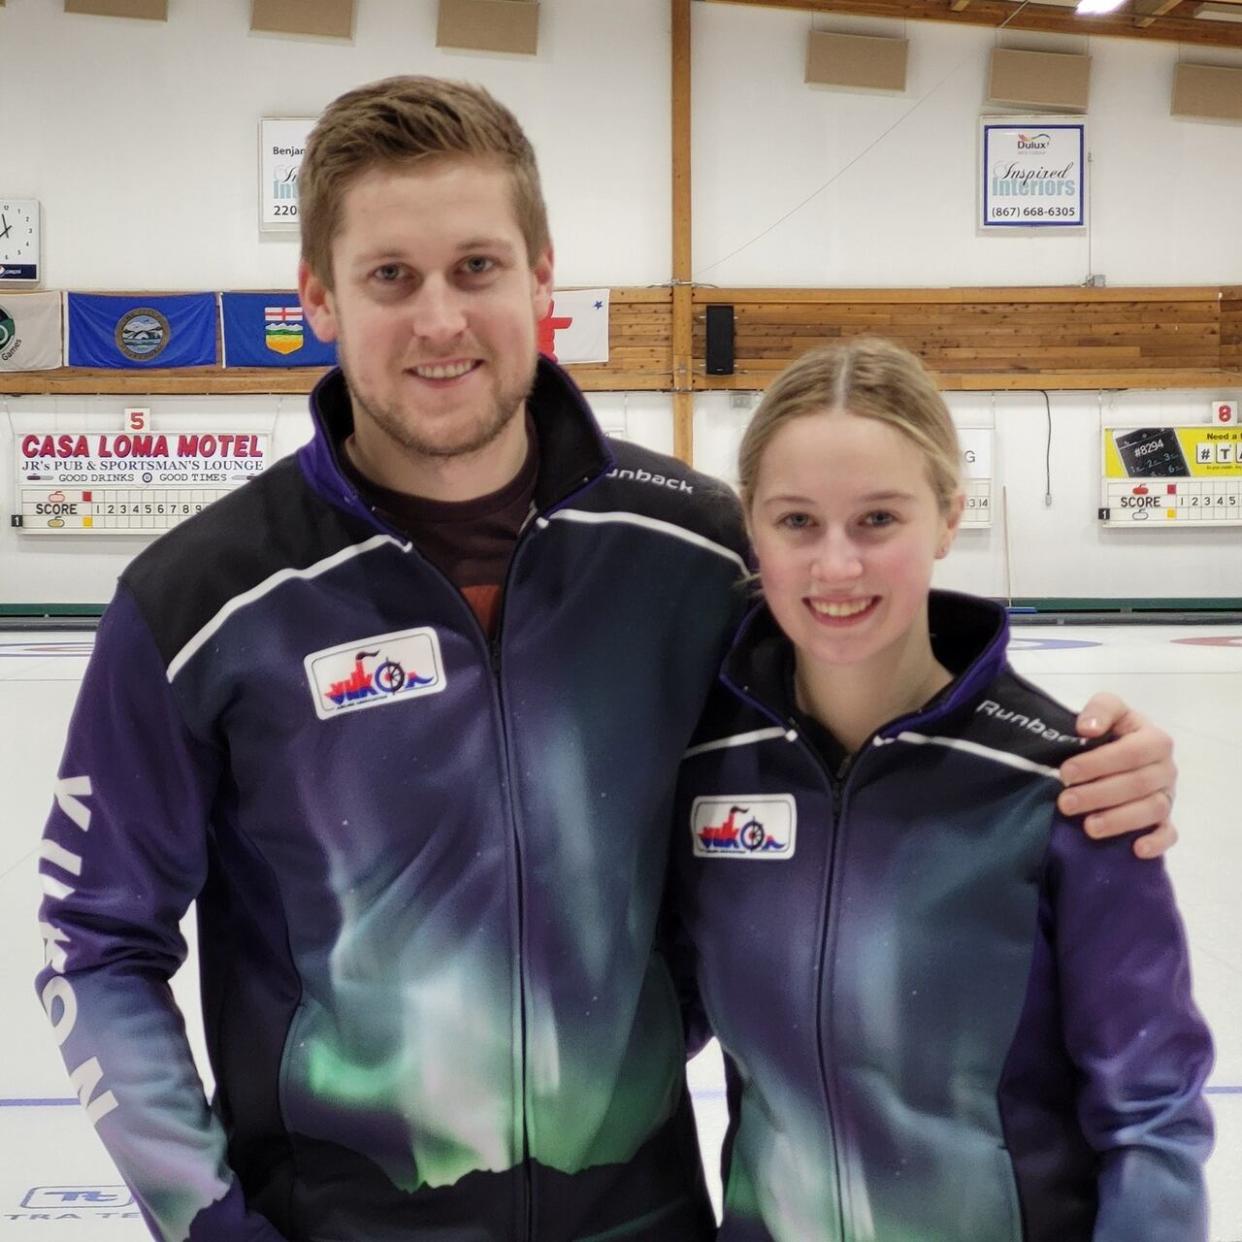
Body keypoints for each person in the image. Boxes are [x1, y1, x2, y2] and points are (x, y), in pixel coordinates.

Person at [34, 76, 1178, 1242]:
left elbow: (871, 733)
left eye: (477, 268)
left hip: (646, 1215)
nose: (440, 320)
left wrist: (1083, 762)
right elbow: (96, 944)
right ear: (319, 299)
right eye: (392, 277)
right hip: (341, 1220)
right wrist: (207, 1220)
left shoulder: (692, 554)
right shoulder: (203, 603)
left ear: (542, 282)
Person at [671, 339, 1213, 1241]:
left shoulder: (1066, 787)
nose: (835, 566)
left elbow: (1152, 1117)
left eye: (878, 519)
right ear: (752, 531)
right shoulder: (705, 774)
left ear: (949, 518)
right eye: (797, 522)